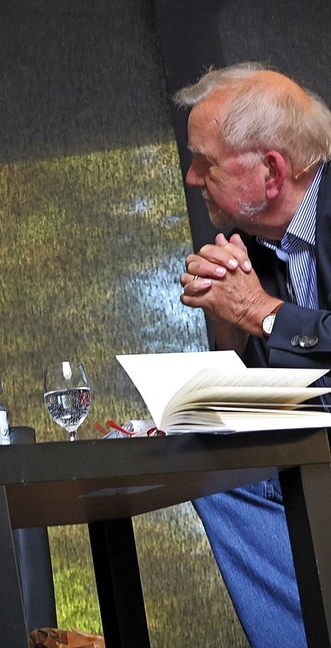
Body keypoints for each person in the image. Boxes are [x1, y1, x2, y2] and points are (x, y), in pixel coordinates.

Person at [175, 62, 331, 647]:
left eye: (204, 160)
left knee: (220, 459)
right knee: (197, 450)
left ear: (272, 168)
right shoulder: (263, 247)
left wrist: (260, 312)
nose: (192, 177)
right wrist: (229, 325)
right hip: (312, 438)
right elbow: (271, 386)